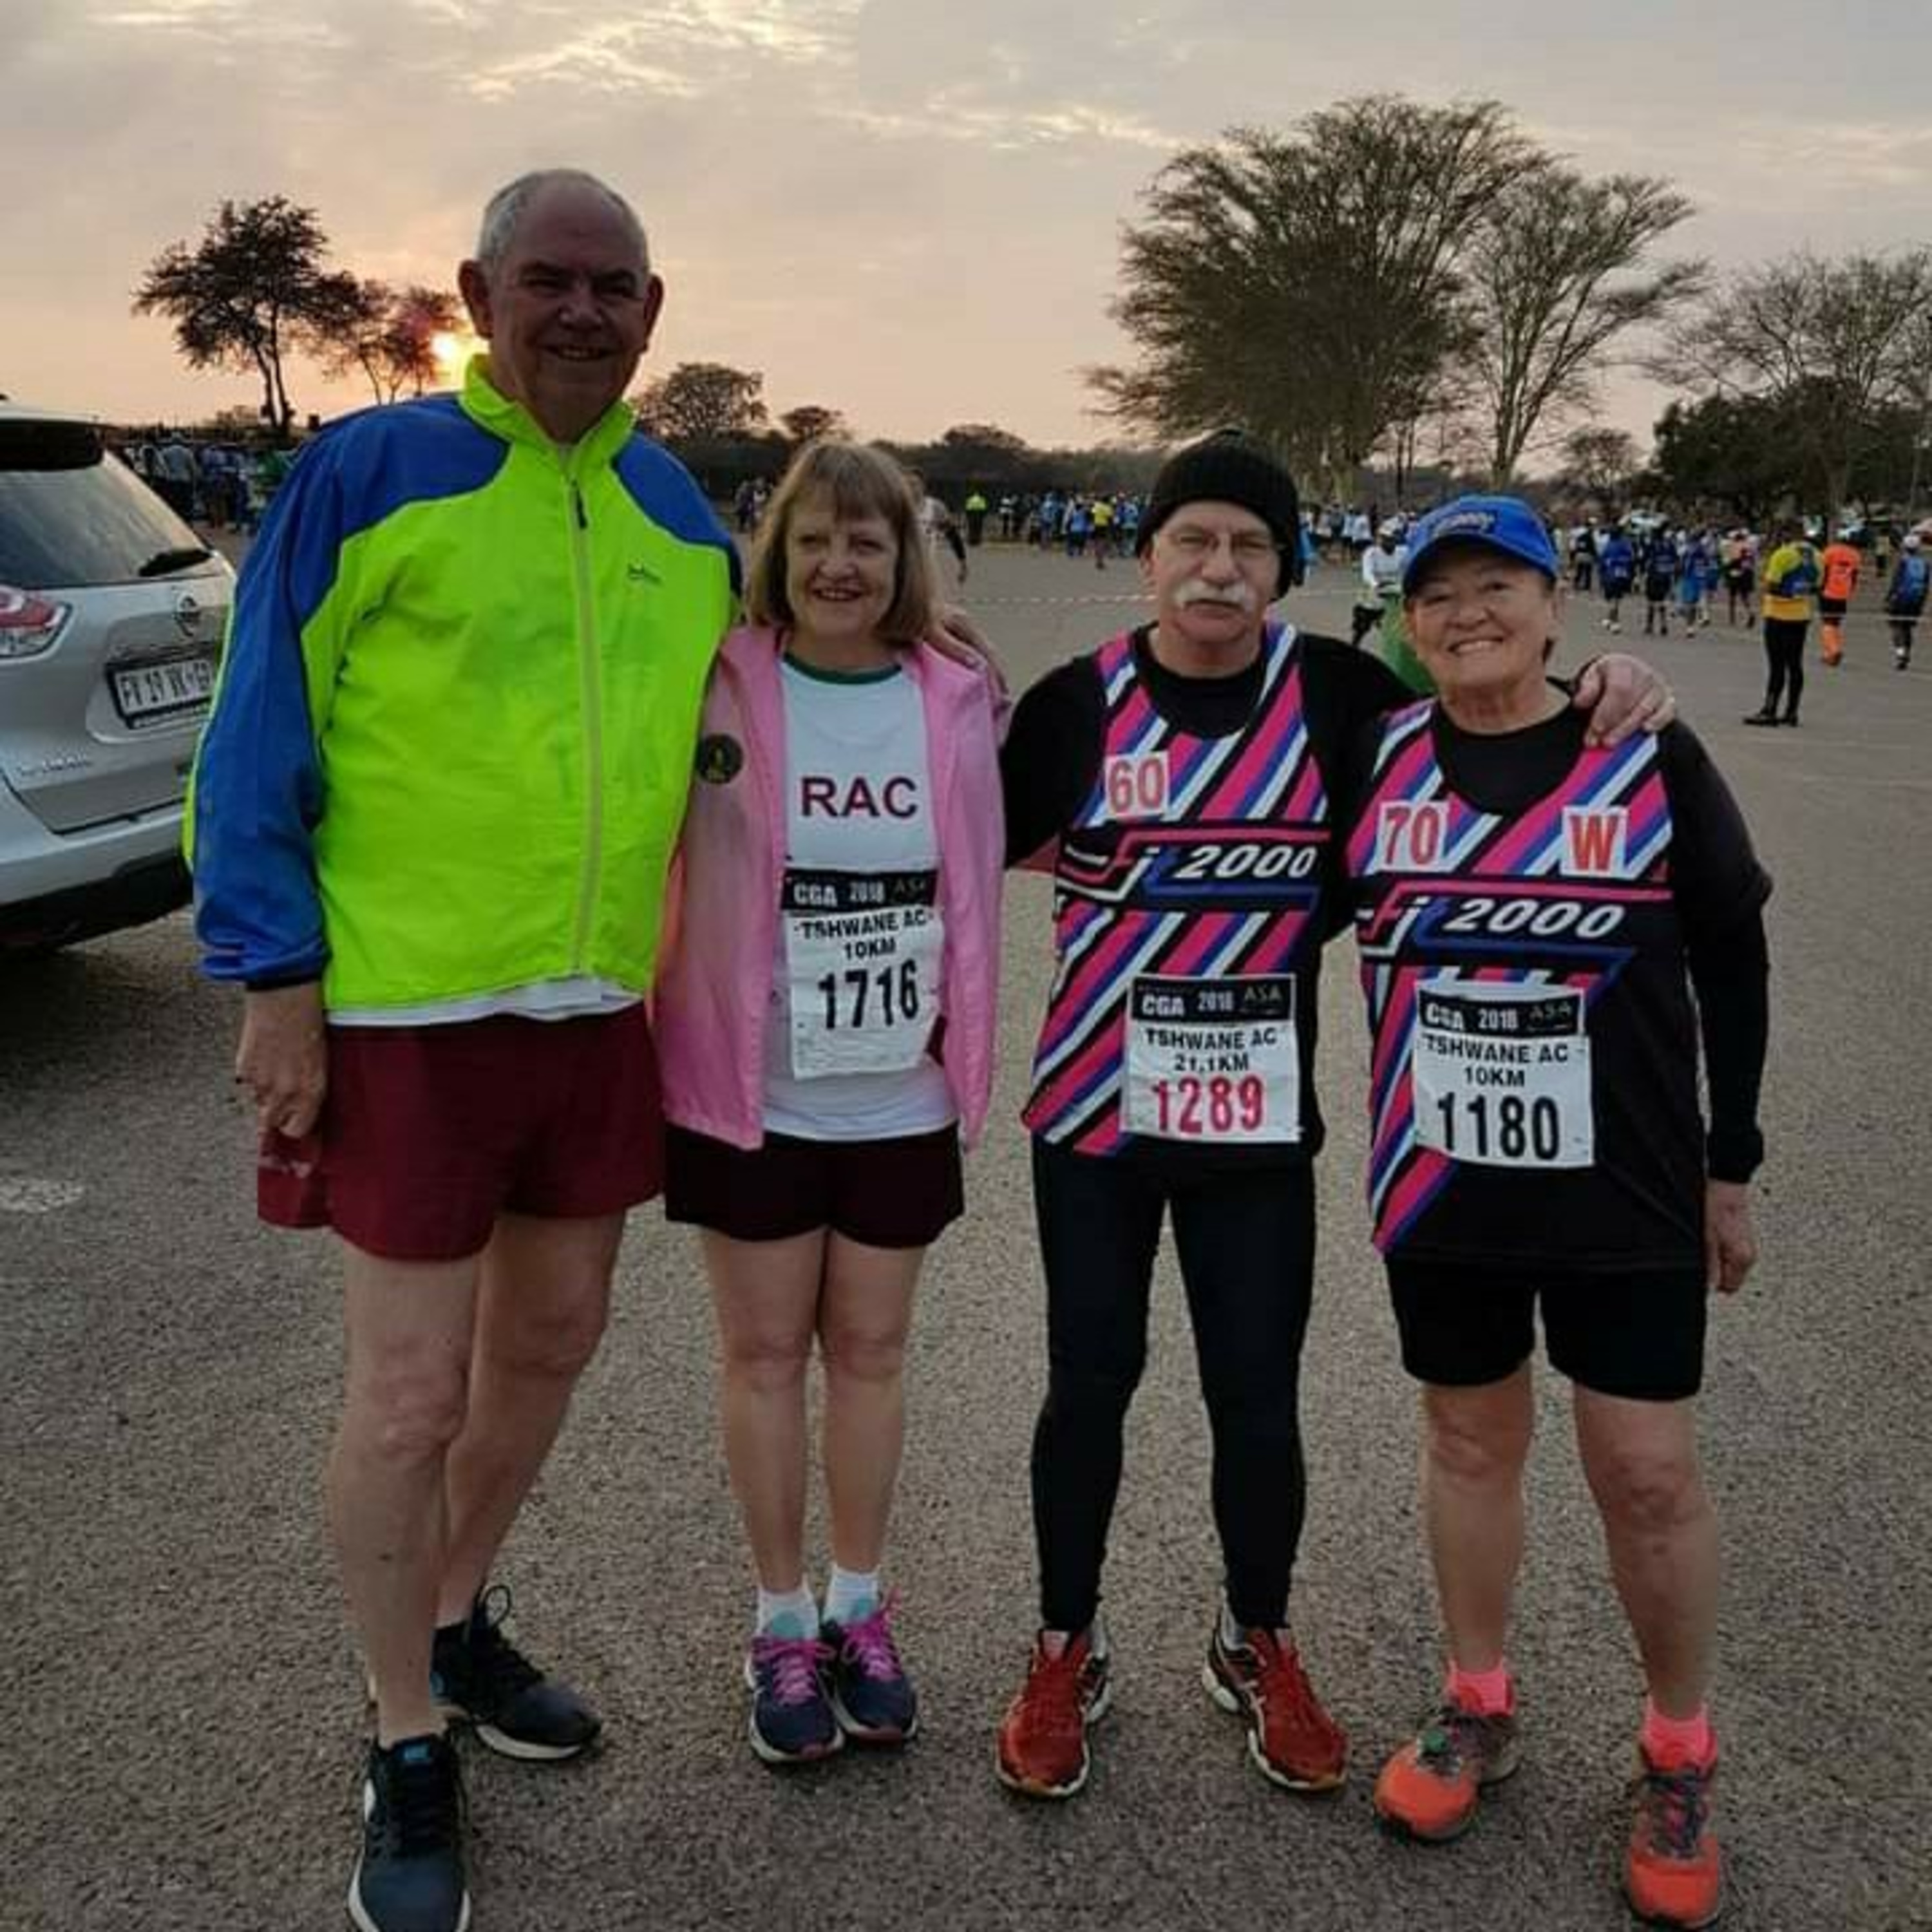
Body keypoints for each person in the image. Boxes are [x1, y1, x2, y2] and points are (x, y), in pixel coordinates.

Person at [187, 169, 740, 1932]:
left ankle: (449, 1613)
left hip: (593, 1014)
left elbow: (760, 712)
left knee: (552, 1345)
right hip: (405, 1012)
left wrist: (924, 645)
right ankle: (402, 1732)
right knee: (411, 1393)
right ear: (477, 295)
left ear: (653, 311)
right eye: (546, 278)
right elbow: (256, 723)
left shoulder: (679, 514)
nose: (580, 309)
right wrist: (273, 977)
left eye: (611, 285)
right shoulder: (370, 473)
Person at [988, 433, 1672, 1806]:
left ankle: (1257, 1638)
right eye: (1194, 541)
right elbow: (973, 835)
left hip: (1252, 1131)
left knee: (1256, 1393)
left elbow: (1497, 716)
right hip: (1094, 1120)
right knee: (1090, 1382)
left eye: (1250, 545)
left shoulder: (1346, 697)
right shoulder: (1075, 703)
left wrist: (1611, 680)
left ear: (1287, 567)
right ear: (1149, 558)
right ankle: (1065, 1644)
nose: (1219, 568)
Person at [1343, 495, 1770, 1931]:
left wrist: (1732, 1162)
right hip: (1444, 1182)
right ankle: (1477, 1700)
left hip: (1627, 1186)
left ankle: (1679, 1749)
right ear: (1409, 623)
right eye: (1441, 594)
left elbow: (1734, 955)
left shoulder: (1641, 748)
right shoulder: (1378, 757)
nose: (1470, 614)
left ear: (1554, 606)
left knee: (1645, 1471)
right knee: (1469, 1442)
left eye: (1499, 588)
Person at [653, 439, 1005, 1767]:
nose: (840, 565)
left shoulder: (958, 690)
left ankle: (861, 1608)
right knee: (760, 1358)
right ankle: (781, 1621)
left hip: (900, 1096)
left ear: (906, 559)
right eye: (815, 541)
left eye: (867, 542)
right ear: (777, 554)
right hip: (755, 1093)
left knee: (870, 1354)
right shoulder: (718, 678)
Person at [1745, 520, 1821, 726]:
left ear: (1787, 534)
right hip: (1801, 615)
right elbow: (1817, 586)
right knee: (1795, 665)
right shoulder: (1817, 555)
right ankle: (1792, 712)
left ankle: (1769, 710)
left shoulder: (1783, 554)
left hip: (1778, 615)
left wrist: (1767, 583)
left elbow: (1772, 585)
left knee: (1776, 666)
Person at [1354, 517, 1405, 647]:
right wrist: (1376, 585)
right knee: (1361, 629)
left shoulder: (1403, 552)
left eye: (1391, 539)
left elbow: (1407, 570)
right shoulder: (1371, 553)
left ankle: (1391, 650)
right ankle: (1353, 647)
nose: (1387, 541)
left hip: (1393, 594)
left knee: (1393, 628)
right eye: (1384, 538)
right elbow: (1367, 573)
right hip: (1371, 597)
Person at [1884, 530, 1928, 670]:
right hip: (1916, 599)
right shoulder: (1924, 563)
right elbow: (1926, 585)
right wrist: (1922, 602)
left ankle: (1901, 653)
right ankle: (1907, 652)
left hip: (1901, 598)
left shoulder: (1903, 562)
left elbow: (1896, 582)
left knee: (1896, 626)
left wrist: (1888, 598)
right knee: (1908, 627)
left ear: (1905, 547)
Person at [1817, 531, 1861, 667]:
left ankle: (1834, 650)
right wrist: (1851, 590)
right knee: (1835, 624)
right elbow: (1854, 576)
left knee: (1827, 623)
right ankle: (1830, 653)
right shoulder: (1855, 555)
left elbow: (1823, 572)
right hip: (1843, 593)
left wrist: (1820, 588)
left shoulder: (1830, 551)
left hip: (1828, 592)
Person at [1598, 524, 1636, 634]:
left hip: (1615, 575)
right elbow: (1631, 558)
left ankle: (1614, 623)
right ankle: (1611, 620)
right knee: (1615, 600)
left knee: (1615, 599)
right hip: (1616, 575)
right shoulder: (1621, 544)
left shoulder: (1617, 544)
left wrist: (1613, 563)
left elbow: (1604, 560)